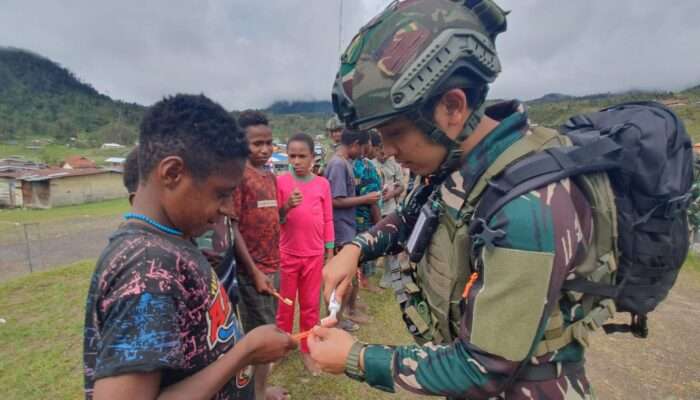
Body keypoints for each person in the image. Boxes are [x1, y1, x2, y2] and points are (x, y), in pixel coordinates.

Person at [309, 1, 598, 399]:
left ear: (453, 107)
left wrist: (357, 357)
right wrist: (356, 249)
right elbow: (414, 218)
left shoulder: (527, 204)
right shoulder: (458, 162)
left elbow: (486, 368)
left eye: (394, 132)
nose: (388, 149)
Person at [83, 94, 296, 400]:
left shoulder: (174, 239)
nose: (227, 209)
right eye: (221, 194)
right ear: (172, 173)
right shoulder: (147, 270)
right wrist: (244, 352)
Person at [229, 110, 289, 400]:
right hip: (252, 271)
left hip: (273, 265)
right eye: (257, 144)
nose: (265, 149)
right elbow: (233, 227)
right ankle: (258, 393)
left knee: (268, 327)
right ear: (242, 144)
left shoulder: (270, 175)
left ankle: (258, 389)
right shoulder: (240, 177)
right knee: (262, 335)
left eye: (269, 143)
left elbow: (272, 216)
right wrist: (254, 272)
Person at [275, 132, 334, 375]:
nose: (297, 161)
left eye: (302, 156)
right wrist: (287, 206)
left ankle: (307, 350)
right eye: (292, 156)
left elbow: (328, 218)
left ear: (313, 158)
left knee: (310, 306)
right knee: (285, 306)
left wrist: (330, 252)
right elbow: (275, 219)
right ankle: (280, 349)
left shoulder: (322, 184)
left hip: (314, 255)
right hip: (287, 254)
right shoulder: (281, 182)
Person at [323, 128, 381, 332]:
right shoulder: (338, 164)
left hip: (346, 228)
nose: (364, 151)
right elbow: (335, 201)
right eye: (363, 146)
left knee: (347, 277)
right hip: (340, 231)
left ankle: (339, 316)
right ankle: (335, 320)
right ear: (355, 143)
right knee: (340, 279)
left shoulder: (343, 163)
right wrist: (366, 199)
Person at [371, 137, 405, 289]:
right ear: (375, 150)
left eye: (384, 151)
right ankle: (373, 272)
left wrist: (391, 195)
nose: (382, 155)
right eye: (379, 151)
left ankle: (391, 274)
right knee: (376, 240)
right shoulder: (371, 165)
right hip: (375, 209)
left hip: (390, 209)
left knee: (391, 242)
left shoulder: (395, 164)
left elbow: (401, 186)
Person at [353, 131, 383, 293]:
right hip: (365, 219)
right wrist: (380, 226)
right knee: (367, 252)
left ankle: (361, 283)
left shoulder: (350, 163)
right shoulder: (366, 167)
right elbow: (373, 201)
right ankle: (365, 281)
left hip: (353, 218)